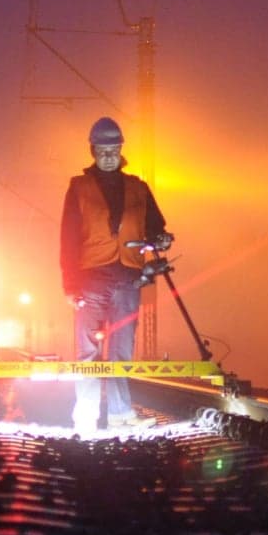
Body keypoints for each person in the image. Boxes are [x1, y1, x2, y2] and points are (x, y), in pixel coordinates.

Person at [59, 116, 170, 435]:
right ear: (93, 151)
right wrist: (70, 283)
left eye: (114, 149)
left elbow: (156, 226)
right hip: (90, 278)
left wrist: (160, 238)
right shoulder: (78, 187)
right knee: (88, 351)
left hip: (127, 279)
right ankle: (86, 416)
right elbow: (68, 237)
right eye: (102, 149)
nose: (108, 155)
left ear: (121, 150)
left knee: (121, 348)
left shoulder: (138, 187)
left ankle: (121, 413)